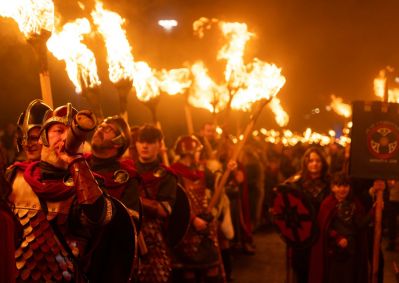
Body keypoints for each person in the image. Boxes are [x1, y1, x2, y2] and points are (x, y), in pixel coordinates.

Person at [6, 103, 130, 282]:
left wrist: (75, 161)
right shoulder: (13, 176)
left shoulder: (90, 186)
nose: (65, 137)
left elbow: (98, 216)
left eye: (71, 134)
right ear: (43, 138)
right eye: (58, 130)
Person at [170, 135, 224, 283]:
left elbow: (216, 185)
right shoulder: (173, 173)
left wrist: (228, 170)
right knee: (189, 272)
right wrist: (193, 219)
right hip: (187, 228)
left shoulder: (200, 169)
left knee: (212, 268)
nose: (200, 155)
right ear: (190, 153)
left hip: (205, 226)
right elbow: (176, 203)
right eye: (197, 152)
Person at [309, 172, 374, 283]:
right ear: (333, 187)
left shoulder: (354, 203)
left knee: (350, 277)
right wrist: (337, 237)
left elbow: (360, 225)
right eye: (339, 186)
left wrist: (374, 210)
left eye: (345, 186)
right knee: (335, 277)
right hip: (334, 251)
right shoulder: (327, 204)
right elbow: (323, 228)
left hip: (352, 250)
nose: (342, 189)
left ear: (349, 187)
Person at [135, 124, 178, 283]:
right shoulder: (126, 170)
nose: (145, 145)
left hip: (154, 238)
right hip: (126, 235)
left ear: (160, 145)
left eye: (150, 142)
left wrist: (133, 200)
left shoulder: (167, 176)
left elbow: (163, 210)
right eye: (141, 141)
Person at [283, 146, 331, 283]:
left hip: (322, 235)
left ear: (323, 163)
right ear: (305, 163)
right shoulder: (295, 183)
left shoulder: (330, 183)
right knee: (301, 271)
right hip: (302, 237)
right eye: (310, 161)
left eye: (317, 161)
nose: (314, 164)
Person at [87, 115, 140, 214]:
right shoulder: (78, 163)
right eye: (100, 126)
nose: (100, 130)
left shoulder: (129, 179)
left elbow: (129, 219)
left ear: (119, 142)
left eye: (108, 128)